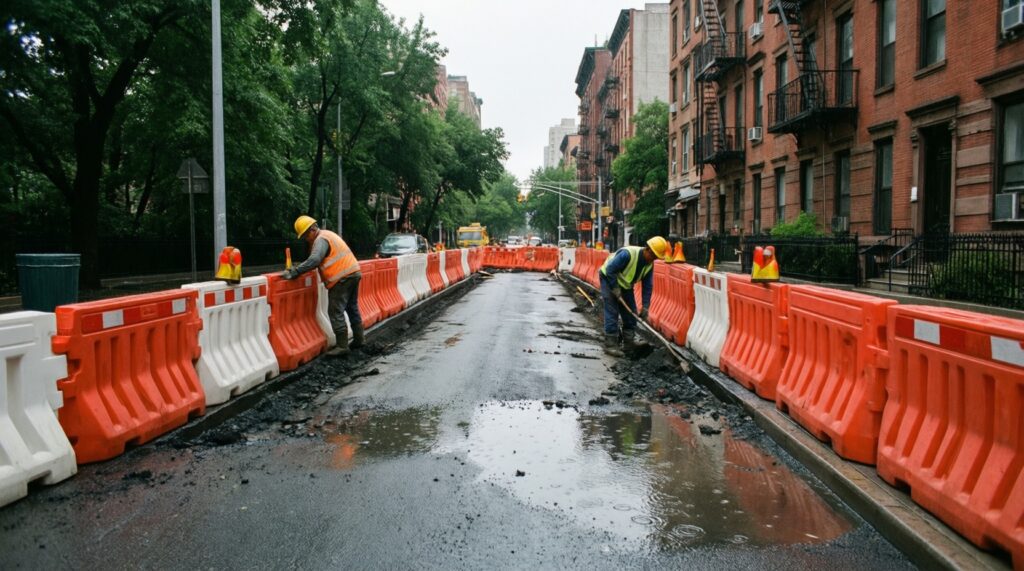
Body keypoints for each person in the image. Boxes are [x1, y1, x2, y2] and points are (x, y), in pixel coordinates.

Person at [281, 215, 363, 357]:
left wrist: (295, 271)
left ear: (312, 230)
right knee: (352, 307)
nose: (306, 239)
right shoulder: (328, 235)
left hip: (341, 277)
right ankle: (359, 339)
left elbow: (315, 259)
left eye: (306, 236)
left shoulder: (320, 239)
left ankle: (342, 346)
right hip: (353, 273)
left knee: (335, 311)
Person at [598, 236, 671, 357]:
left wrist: (645, 306)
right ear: (647, 249)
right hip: (608, 279)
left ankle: (628, 344)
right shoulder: (627, 254)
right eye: (652, 256)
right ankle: (610, 345)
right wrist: (615, 288)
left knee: (631, 313)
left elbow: (648, 286)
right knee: (612, 311)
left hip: (625, 285)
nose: (652, 259)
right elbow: (610, 270)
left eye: (656, 257)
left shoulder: (649, 265)